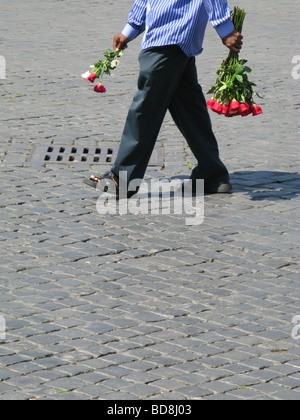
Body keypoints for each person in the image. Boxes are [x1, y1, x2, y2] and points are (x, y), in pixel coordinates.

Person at [84, 0, 243, 197]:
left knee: (145, 110)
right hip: (175, 35)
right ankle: (213, 174)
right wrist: (131, 28)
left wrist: (224, 28)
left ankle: (122, 179)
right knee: (189, 109)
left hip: (169, 35)